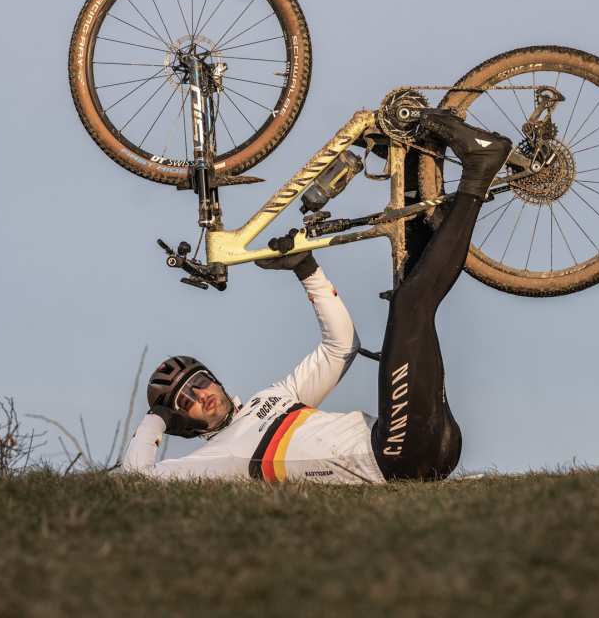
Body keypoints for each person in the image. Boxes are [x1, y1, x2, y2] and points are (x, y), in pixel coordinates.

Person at [122, 110, 511, 483]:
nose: (201, 395)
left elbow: (341, 347)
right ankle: (479, 168)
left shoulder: (271, 400)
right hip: (393, 456)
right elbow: (137, 479)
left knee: (410, 283)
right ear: (182, 423)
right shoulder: (217, 458)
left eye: (199, 382)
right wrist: (155, 418)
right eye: (185, 400)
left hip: (432, 442)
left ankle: (417, 163)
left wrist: (307, 269)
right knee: (411, 305)